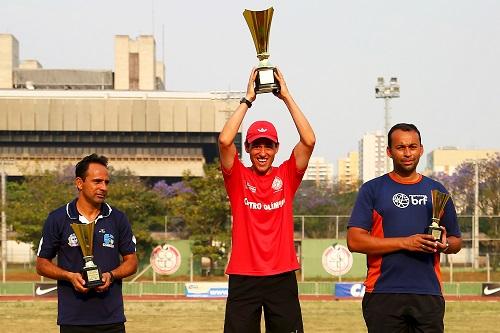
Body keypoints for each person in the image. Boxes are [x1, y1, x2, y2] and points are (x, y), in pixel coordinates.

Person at [218, 68, 315, 333]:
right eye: (256, 145)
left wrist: (286, 96)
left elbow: (309, 140)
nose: (262, 152)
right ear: (247, 148)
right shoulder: (237, 177)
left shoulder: (287, 174)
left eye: (268, 145)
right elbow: (225, 140)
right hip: (243, 276)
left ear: (276, 148)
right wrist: (247, 99)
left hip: (281, 276)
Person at [347, 123, 462, 333]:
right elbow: (354, 241)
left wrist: (446, 245)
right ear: (389, 152)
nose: (407, 153)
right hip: (383, 292)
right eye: (401, 147)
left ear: (421, 149)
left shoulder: (437, 190)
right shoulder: (372, 189)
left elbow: (456, 241)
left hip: (428, 293)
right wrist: (405, 243)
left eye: (412, 147)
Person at [36, 154, 138, 333]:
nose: (103, 187)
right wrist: (69, 276)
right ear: (79, 183)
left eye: (107, 182)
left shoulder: (118, 218)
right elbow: (42, 264)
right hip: (73, 320)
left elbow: (132, 262)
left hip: (111, 319)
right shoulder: (58, 218)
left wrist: (111, 275)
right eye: (97, 181)